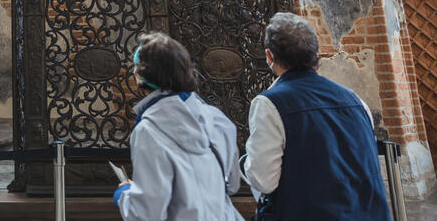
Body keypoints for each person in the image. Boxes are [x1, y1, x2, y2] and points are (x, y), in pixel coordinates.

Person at [242, 12, 390, 220]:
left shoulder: (269, 104)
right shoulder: (356, 100)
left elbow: (263, 181)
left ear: (269, 56)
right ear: (316, 53)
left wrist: (246, 163)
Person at [113, 33, 244, 220]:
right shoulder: (216, 119)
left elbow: (146, 213)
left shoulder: (149, 131)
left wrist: (123, 194)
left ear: (140, 75)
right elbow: (232, 185)